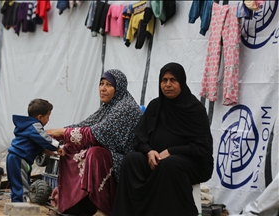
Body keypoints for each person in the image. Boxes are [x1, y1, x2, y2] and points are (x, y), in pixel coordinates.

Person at [112, 62, 214, 216]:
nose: (168, 84)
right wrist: (149, 151)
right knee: (131, 160)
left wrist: (171, 151)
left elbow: (203, 148)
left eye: (173, 80)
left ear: (182, 82)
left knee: (170, 165)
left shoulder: (194, 110)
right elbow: (139, 139)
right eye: (164, 80)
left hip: (192, 163)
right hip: (157, 159)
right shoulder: (155, 106)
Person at [46, 69, 143, 216]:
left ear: (119, 88)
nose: (103, 88)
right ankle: (75, 204)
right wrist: (53, 137)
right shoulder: (108, 107)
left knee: (95, 153)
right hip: (111, 155)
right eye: (101, 83)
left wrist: (60, 133)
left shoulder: (125, 107)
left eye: (109, 84)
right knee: (69, 148)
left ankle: (101, 209)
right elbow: (83, 126)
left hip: (126, 162)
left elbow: (95, 133)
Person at [6, 98, 60, 202]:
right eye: (48, 117)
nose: (48, 120)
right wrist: (58, 146)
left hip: (15, 157)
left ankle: (16, 207)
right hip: (19, 158)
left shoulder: (27, 126)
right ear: (40, 117)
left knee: (18, 186)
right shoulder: (34, 126)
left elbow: (31, 142)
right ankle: (20, 210)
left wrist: (43, 150)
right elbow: (44, 138)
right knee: (21, 188)